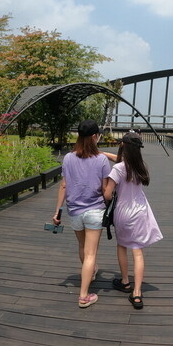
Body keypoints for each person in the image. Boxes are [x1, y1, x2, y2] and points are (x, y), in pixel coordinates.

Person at [53, 120, 115, 308]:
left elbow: (64, 185)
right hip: (95, 210)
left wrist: (57, 211)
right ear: (95, 136)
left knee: (83, 247)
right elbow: (105, 189)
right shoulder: (102, 160)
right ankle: (84, 295)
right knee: (91, 254)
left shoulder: (68, 158)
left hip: (75, 211)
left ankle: (91, 272)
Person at [102, 131, 162, 309]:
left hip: (123, 212)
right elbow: (123, 163)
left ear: (123, 146)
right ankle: (137, 293)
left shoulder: (118, 169)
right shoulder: (141, 165)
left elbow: (107, 194)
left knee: (122, 246)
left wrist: (105, 187)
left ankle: (125, 281)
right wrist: (107, 155)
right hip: (140, 211)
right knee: (137, 251)